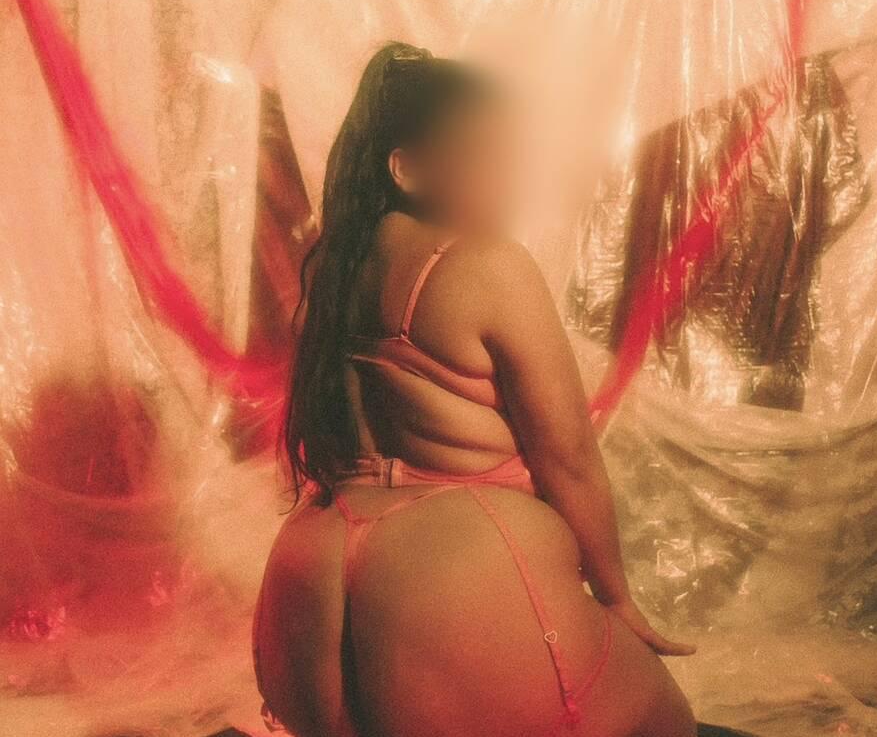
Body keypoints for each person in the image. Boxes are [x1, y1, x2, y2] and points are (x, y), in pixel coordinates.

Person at [252, 42, 698, 737]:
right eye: (488, 157)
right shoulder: (488, 267)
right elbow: (569, 460)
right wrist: (616, 600)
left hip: (305, 596)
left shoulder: (329, 279)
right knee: (664, 723)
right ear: (407, 169)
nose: (510, 181)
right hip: (446, 597)